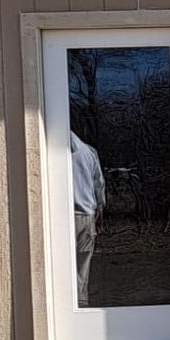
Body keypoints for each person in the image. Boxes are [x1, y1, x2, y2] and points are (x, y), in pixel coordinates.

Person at [69, 130, 106, 305]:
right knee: (82, 264)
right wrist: (100, 210)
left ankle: (70, 305)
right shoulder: (89, 152)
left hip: (65, 216)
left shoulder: (52, 152)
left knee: (64, 265)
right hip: (87, 216)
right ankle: (81, 302)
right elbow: (99, 184)